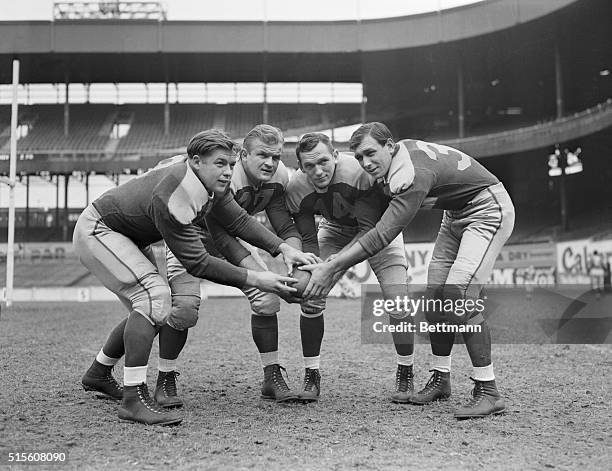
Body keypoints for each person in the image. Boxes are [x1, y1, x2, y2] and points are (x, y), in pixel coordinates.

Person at [75, 129, 311, 425]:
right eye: (219, 164)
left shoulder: (210, 183)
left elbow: (238, 220)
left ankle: (98, 372)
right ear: (196, 161)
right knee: (155, 299)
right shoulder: (176, 193)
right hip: (100, 230)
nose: (227, 171)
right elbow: (198, 262)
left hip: (129, 235)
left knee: (150, 308)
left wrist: (283, 249)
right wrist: (257, 278)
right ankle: (133, 399)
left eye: (229, 164)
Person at [300, 122, 515, 419]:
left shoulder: (409, 173)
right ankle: (441, 377)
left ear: (390, 146)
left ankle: (488, 390)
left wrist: (332, 266)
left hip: (486, 208)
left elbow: (381, 235)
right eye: (360, 157)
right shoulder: (394, 164)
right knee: (435, 299)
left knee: (457, 294)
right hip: (453, 214)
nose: (366, 162)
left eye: (371, 153)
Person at [158, 124, 318, 406]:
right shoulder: (226, 175)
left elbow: (282, 223)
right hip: (191, 238)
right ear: (243, 154)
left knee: (267, 299)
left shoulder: (279, 177)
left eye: (276, 156)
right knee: (183, 309)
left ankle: (271, 376)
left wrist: (296, 259)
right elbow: (221, 232)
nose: (270, 163)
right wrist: (257, 273)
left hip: (234, 238)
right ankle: (164, 378)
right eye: (262, 155)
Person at [286, 132, 414, 403]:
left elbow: (369, 231)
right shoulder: (296, 187)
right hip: (334, 229)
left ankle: (406, 371)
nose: (317, 171)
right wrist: (316, 269)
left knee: (399, 303)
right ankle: (311, 375)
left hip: (379, 230)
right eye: (309, 166)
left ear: (335, 155)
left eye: (323, 161)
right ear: (300, 167)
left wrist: (333, 267)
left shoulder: (358, 172)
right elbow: (308, 240)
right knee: (310, 296)